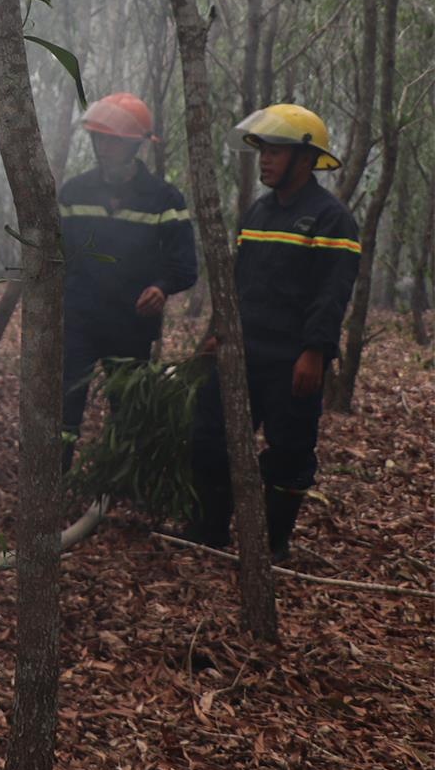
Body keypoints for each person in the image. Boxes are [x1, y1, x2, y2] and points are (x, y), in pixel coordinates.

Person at [187, 104, 360, 560]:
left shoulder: (331, 219)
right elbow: (235, 285)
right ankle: (211, 530)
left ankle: (273, 545)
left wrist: (315, 351)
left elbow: (332, 291)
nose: (264, 159)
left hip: (292, 359)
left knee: (290, 452)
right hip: (242, 352)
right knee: (208, 436)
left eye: (276, 151)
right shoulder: (257, 213)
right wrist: (216, 333)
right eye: (262, 150)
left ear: (305, 159)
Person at [58, 94, 198, 456]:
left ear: (135, 145)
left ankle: (114, 491)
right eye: (100, 138)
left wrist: (161, 287)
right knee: (64, 413)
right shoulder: (73, 193)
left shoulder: (165, 199)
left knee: (127, 413)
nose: (105, 147)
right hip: (78, 324)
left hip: (131, 326)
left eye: (115, 140)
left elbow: (184, 266)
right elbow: (53, 258)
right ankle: (55, 486)